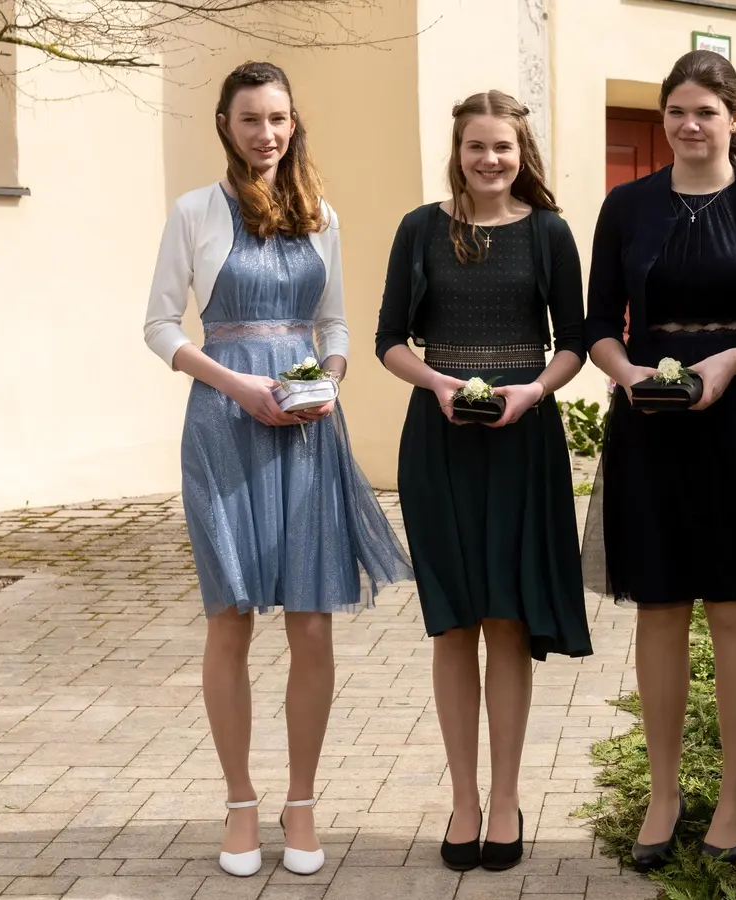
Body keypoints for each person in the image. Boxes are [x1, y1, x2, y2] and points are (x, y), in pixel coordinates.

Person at [142, 61, 414, 878]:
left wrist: (322, 385)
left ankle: (300, 802)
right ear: (225, 124)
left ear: (296, 125)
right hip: (224, 424)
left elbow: (332, 324)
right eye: (252, 119)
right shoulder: (194, 211)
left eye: (280, 119)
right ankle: (238, 803)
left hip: (303, 429)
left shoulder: (320, 215)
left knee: (312, 620)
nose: (267, 133)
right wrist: (238, 386)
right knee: (232, 616)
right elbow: (159, 326)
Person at [581, 50, 736, 870]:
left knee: (731, 607)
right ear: (665, 121)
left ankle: (733, 793)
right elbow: (597, 325)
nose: (690, 126)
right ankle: (662, 792)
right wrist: (626, 376)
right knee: (660, 606)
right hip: (651, 425)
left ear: (734, 119)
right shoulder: (627, 208)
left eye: (706, 112)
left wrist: (728, 364)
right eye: (677, 113)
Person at [374, 90, 593, 874]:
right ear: (458, 151)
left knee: (506, 619)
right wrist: (437, 382)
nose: (490, 160)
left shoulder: (549, 232)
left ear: (520, 152)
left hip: (522, 439)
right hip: (438, 440)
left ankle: (505, 800)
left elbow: (573, 341)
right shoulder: (420, 229)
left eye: (502, 147)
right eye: (476, 147)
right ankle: (462, 800)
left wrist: (535, 390)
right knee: (454, 621)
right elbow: (386, 340)